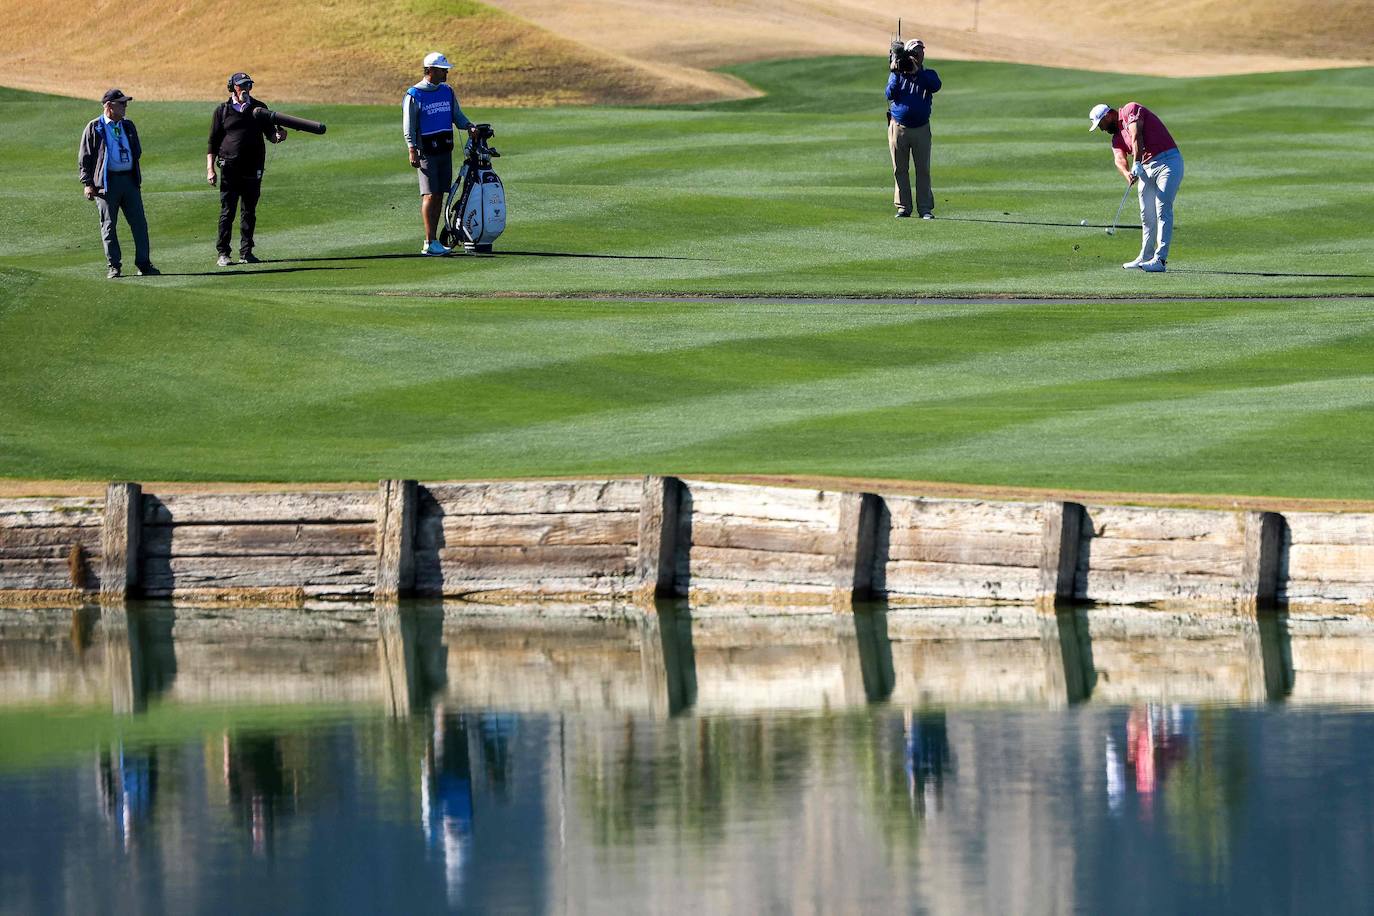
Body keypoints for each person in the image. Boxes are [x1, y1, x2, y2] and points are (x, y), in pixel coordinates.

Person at [1089, 102, 1184, 272]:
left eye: (1101, 124)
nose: (1102, 129)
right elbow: (1119, 158)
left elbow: (1136, 135)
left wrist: (1137, 161)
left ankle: (1160, 260)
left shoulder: (1130, 110)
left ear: (1108, 115)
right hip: (1146, 169)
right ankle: (1146, 256)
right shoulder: (1116, 138)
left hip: (1168, 162)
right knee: (1147, 214)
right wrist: (1127, 173)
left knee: (1162, 209)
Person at [77, 89, 159, 279]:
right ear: (109, 106)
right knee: (109, 226)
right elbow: (85, 158)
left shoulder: (128, 125)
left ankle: (144, 264)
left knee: (139, 224)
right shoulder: (94, 127)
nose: (125, 106)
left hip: (129, 181)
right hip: (106, 184)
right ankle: (114, 266)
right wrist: (88, 183)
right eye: (121, 103)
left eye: (125, 102)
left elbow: (136, 151)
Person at [403, 51, 478, 256]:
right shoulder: (414, 94)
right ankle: (429, 241)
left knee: (438, 194)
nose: (446, 73)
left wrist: (468, 126)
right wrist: (412, 149)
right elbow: (409, 126)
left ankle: (434, 241)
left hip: (444, 148)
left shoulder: (447, 91)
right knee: (429, 194)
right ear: (431, 70)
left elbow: (457, 115)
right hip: (426, 151)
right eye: (443, 70)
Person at [207, 73, 287, 266]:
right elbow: (213, 142)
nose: (246, 89)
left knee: (249, 211)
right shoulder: (222, 110)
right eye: (242, 86)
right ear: (232, 87)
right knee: (228, 211)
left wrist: (279, 136)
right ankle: (223, 253)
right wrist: (210, 169)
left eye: (248, 85)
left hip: (253, 166)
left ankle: (246, 252)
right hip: (229, 167)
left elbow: (271, 135)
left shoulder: (260, 109)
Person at [886, 39, 941, 219]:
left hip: (921, 129)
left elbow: (936, 86)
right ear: (908, 54)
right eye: (915, 52)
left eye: (921, 52)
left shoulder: (928, 75)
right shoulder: (898, 74)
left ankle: (925, 209)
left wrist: (917, 71)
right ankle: (903, 207)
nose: (919, 55)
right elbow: (889, 94)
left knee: (922, 170)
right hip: (898, 127)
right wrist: (895, 71)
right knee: (899, 169)